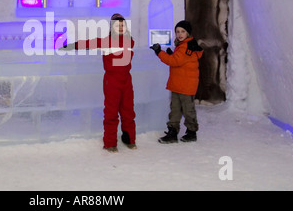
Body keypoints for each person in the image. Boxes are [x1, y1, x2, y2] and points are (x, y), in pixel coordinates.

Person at [60, 13, 136, 152]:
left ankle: (129, 138)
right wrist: (70, 46)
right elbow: (87, 43)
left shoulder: (130, 41)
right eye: (116, 25)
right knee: (111, 112)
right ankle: (110, 143)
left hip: (126, 80)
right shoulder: (106, 41)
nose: (120, 27)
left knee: (128, 111)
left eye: (122, 25)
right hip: (112, 81)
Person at [151, 20, 203, 143]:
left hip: (186, 86)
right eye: (177, 31)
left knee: (187, 110)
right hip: (177, 84)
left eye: (183, 31)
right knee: (175, 109)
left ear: (188, 33)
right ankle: (172, 132)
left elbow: (175, 61)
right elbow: (178, 60)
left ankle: (191, 132)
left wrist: (159, 52)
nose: (180, 34)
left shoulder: (187, 46)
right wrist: (171, 54)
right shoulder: (182, 45)